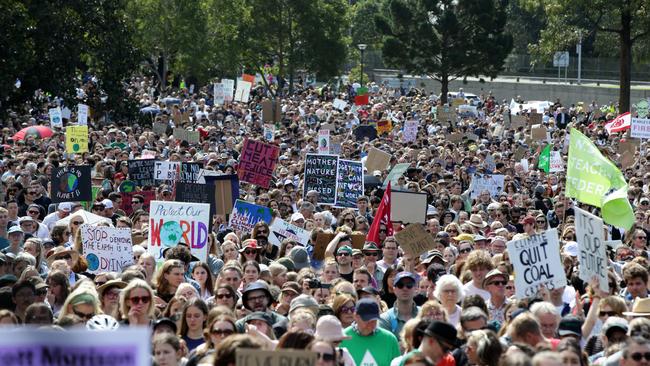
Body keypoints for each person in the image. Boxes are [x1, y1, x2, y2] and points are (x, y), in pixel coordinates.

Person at [339, 298, 401, 366]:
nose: (370, 324)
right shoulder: (342, 339)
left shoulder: (390, 339)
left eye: (373, 321)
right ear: (356, 316)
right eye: (366, 320)